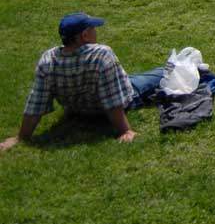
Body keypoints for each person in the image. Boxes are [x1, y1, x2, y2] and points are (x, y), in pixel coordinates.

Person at [0, 13, 165, 151]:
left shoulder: (48, 59)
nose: (96, 32)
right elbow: (114, 100)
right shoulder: (101, 55)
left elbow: (36, 101)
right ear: (84, 36)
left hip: (77, 110)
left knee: (138, 76)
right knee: (164, 72)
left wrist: (21, 137)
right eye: (93, 29)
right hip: (116, 102)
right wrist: (125, 130)